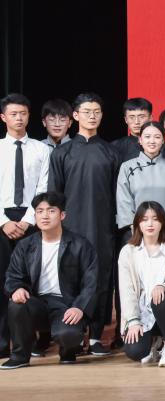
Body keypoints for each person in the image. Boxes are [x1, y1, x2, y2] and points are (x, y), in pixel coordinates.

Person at [47, 93, 119, 356]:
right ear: (75, 116)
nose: (92, 116)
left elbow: (117, 194)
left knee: (101, 279)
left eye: (97, 111)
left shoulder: (110, 152)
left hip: (102, 227)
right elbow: (54, 195)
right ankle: (74, 334)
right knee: (71, 279)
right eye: (87, 111)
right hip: (71, 227)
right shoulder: (61, 153)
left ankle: (97, 335)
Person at [1, 192, 97, 369]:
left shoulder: (80, 245)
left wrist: (79, 307)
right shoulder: (25, 246)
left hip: (66, 305)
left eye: (51, 211)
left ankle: (68, 350)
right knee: (16, 304)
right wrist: (17, 288)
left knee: (69, 335)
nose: (45, 216)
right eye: (40, 211)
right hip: (37, 303)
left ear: (62, 215)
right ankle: (20, 356)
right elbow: (13, 276)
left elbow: (91, 283)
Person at [1, 94, 51, 358]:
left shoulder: (41, 150)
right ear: (3, 117)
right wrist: (4, 222)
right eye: (13, 114)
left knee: (31, 280)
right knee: (2, 280)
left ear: (29, 116)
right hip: (2, 219)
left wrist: (29, 220)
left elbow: (43, 188)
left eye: (23, 113)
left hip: (31, 220)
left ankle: (29, 341)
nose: (19, 118)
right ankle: (2, 342)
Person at [117, 202, 165, 367]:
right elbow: (126, 291)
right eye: (144, 219)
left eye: (155, 219)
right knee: (135, 351)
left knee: (159, 298)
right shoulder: (127, 252)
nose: (150, 224)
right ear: (138, 224)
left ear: (162, 222)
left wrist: (164, 287)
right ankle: (153, 344)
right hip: (143, 313)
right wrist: (133, 321)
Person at [116, 121, 165, 241]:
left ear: (163, 141)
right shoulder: (127, 167)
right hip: (135, 232)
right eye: (147, 137)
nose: (152, 141)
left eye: (157, 137)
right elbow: (123, 200)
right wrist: (135, 228)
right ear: (140, 140)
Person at [111, 97, 165, 163]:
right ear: (126, 120)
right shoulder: (115, 147)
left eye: (141, 117)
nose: (136, 122)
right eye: (131, 117)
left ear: (150, 118)